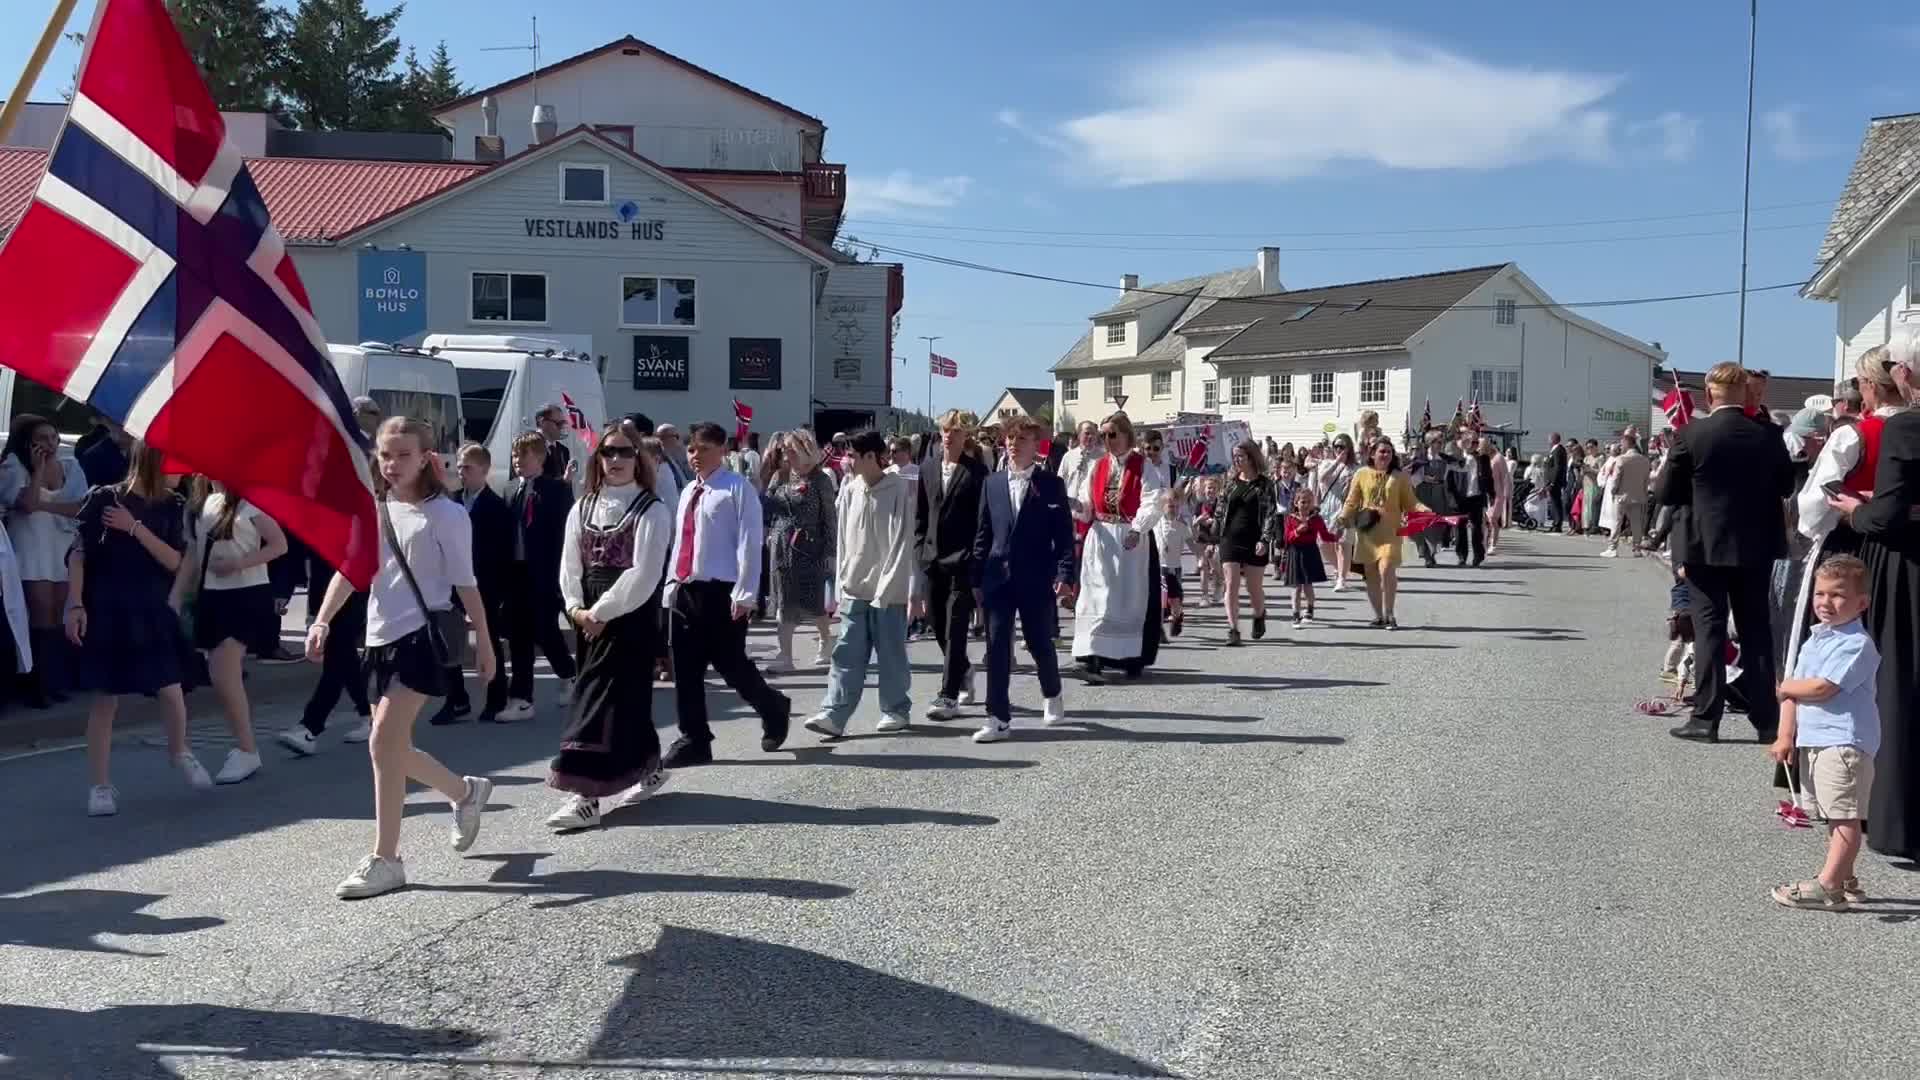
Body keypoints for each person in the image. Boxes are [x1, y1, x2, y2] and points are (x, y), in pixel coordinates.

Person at [308, 417, 498, 899]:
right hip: (378, 640)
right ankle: (464, 792)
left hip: (423, 639)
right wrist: (322, 620)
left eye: (403, 455)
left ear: (427, 458)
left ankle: (387, 859)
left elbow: (465, 584)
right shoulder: (376, 508)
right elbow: (352, 571)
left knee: (380, 744)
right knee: (390, 751)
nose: (391, 464)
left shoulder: (447, 515)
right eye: (385, 455)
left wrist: (486, 644)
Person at [545, 422, 674, 832]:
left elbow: (644, 573)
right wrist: (575, 607)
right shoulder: (582, 506)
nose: (615, 460)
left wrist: (601, 611)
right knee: (621, 699)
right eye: (608, 452)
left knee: (597, 700)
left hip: (628, 614)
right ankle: (648, 765)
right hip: (588, 615)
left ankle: (587, 796)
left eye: (625, 452)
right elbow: (569, 563)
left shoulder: (651, 508)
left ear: (639, 458)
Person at [1658, 362, 1794, 743]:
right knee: (1756, 633)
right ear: (1745, 393)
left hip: (1705, 545)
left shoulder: (1692, 433)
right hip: (1757, 545)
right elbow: (1785, 485)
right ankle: (1767, 720)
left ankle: (1706, 717)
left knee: (1710, 631)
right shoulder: (1769, 435)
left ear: (1709, 394)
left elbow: (1667, 493)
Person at [69, 442, 208, 816]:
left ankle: (180, 752)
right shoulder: (104, 498)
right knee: (104, 699)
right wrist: (75, 603)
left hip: (151, 606)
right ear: (156, 461)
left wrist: (134, 528)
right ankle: (99, 786)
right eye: (178, 464)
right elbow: (79, 554)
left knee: (171, 686)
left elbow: (174, 560)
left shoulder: (173, 507)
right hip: (108, 607)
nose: (184, 473)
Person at [1826, 343, 1920, 859]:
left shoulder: (1907, 426)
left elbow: (1885, 517)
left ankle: (1899, 823)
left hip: (1906, 568)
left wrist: (1853, 511)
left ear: (1902, 373)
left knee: (1900, 687)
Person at [664, 421, 792, 767]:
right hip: (686, 588)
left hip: (722, 591)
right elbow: (680, 541)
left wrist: (746, 592)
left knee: (731, 665)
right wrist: (670, 586)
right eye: (691, 449)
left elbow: (751, 543)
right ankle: (694, 738)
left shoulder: (737, 489)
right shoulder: (689, 491)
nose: (696, 455)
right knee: (686, 668)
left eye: (704, 449)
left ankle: (773, 707)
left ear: (722, 450)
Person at [1764, 555, 1878, 911]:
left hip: (1844, 741)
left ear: (1861, 604)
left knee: (1844, 815)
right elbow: (1792, 695)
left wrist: (1787, 688)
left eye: (1838, 595)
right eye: (1820, 594)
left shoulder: (1856, 644)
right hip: (1816, 740)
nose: (1826, 603)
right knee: (1833, 812)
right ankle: (1844, 877)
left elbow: (1821, 688)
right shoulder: (1814, 641)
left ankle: (1829, 885)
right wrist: (1786, 736)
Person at [803, 431, 924, 738]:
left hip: (887, 591)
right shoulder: (851, 489)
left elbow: (901, 540)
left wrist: (889, 587)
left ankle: (896, 709)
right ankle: (834, 714)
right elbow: (843, 537)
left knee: (891, 653)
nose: (848, 461)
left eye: (853, 455)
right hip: (855, 588)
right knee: (846, 653)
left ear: (871, 456)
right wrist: (843, 579)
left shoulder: (898, 489)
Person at [970, 417, 1074, 743]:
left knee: (1039, 641)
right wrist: (975, 577)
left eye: (1022, 439)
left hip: (1035, 577)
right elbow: (983, 534)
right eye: (1010, 439)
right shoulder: (993, 483)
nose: (1014, 444)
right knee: (997, 647)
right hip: (997, 578)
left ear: (1035, 445)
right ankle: (997, 717)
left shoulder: (1051, 484)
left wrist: (1065, 572)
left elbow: (1064, 536)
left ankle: (1052, 691)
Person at [189, 479, 287, 784]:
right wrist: (177, 595)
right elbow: (194, 553)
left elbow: (279, 544)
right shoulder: (205, 502)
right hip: (212, 594)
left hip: (245, 593)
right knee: (219, 675)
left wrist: (239, 562)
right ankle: (245, 748)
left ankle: (246, 749)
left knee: (224, 675)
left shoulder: (249, 501)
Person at [1069, 412, 1164, 681]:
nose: (1107, 440)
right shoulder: (1097, 466)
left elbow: (1153, 500)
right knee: (1093, 597)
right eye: (1103, 435)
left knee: (1125, 600)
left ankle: (1128, 657)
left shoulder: (1142, 466)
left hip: (1128, 541)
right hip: (1100, 539)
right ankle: (1090, 659)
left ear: (1126, 436)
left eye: (1112, 434)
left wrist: (1137, 528)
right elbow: (1088, 505)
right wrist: (1075, 505)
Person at [1, 415, 86, 706]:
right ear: (29, 443)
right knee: (39, 613)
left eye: (53, 437)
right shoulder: (15, 465)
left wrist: (45, 505)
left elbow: (80, 506)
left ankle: (56, 681)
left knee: (59, 614)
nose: (50, 444)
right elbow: (25, 504)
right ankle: (34, 686)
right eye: (42, 439)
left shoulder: (71, 465)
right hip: (30, 546)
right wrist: (37, 472)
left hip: (59, 544)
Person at [917, 410, 989, 719]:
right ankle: (963, 669)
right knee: (936, 624)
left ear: (965, 436)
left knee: (956, 628)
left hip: (962, 561)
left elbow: (982, 521)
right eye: (945, 430)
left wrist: (976, 557)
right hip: (932, 560)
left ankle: (947, 696)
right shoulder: (928, 467)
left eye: (956, 431)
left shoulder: (976, 473)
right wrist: (920, 547)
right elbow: (921, 514)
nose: (949, 436)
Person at [503, 431, 577, 721]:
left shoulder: (556, 490)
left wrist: (565, 575)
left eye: (523, 455)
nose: (517, 461)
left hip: (546, 574)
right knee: (519, 634)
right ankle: (521, 698)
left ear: (540, 458)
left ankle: (568, 673)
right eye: (514, 455)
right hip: (517, 573)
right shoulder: (510, 489)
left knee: (544, 629)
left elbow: (566, 535)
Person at [436, 444, 512, 725]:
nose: (461, 472)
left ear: (484, 470)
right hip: (451, 583)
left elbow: (502, 554)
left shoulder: (496, 508)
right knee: (448, 642)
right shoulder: (452, 502)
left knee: (487, 641)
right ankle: (456, 700)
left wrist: (499, 592)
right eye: (459, 466)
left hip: (484, 586)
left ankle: (496, 698)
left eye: (467, 467)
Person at [761, 431, 837, 672]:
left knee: (813, 603)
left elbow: (830, 520)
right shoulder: (780, 475)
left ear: (806, 450)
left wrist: (830, 553)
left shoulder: (820, 480)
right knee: (783, 600)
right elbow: (767, 507)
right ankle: (785, 656)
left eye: (791, 450)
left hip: (809, 547)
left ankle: (825, 640)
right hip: (781, 546)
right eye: (785, 450)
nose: (786, 455)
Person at [1340, 439, 1423, 629]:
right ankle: (1379, 616)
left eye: (1388, 452)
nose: (1385, 455)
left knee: (1386, 568)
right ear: (1372, 454)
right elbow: (1352, 500)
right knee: (1370, 574)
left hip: (1390, 532)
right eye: (1381, 451)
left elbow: (1410, 501)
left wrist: (1422, 513)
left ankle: (1390, 613)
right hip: (1368, 531)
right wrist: (1343, 517)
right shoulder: (1361, 474)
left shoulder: (1400, 476)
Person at [1216, 440, 1274, 646]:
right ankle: (1233, 629)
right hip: (1230, 538)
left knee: (1253, 587)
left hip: (1254, 540)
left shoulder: (1265, 484)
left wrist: (1265, 539)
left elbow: (1270, 513)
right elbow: (1220, 510)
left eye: (1240, 456)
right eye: (1235, 456)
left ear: (1251, 457)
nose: (1236, 460)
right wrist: (1213, 536)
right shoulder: (1230, 482)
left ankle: (1259, 614)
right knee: (1231, 585)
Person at [1278, 485, 1338, 627]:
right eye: (1302, 502)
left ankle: (1310, 609)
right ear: (1296, 503)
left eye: (1309, 502)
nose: (1305, 505)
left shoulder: (1316, 519)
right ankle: (1296, 615)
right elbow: (1286, 538)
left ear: (1313, 504)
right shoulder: (1290, 519)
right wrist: (1297, 531)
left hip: (1310, 552)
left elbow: (1324, 535)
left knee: (1308, 585)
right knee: (1296, 587)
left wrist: (1336, 537)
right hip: (1295, 553)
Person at [1313, 435, 1358, 590]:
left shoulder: (1355, 468)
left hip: (1346, 508)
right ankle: (1340, 569)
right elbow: (1322, 478)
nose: (1339, 450)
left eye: (1342, 447)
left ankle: (1341, 579)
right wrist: (1338, 462)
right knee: (1324, 544)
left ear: (1349, 448)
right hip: (1327, 508)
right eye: (1336, 446)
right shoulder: (1326, 463)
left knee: (1342, 543)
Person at [1448, 433, 1494, 567]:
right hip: (1460, 498)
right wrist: (1452, 497)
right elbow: (1449, 480)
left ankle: (1478, 556)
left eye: (1475, 443)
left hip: (1476, 497)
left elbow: (1488, 477)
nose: (1474, 445)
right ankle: (1462, 556)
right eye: (1471, 442)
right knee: (1460, 528)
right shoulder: (1455, 458)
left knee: (1477, 528)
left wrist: (1492, 495)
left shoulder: (1483, 458)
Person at [1603, 434, 1652, 557]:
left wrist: (1613, 491)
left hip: (1621, 496)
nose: (1621, 446)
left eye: (1622, 444)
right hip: (1638, 496)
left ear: (1627, 443)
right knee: (1636, 523)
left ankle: (1612, 548)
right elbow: (1647, 480)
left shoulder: (1621, 459)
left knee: (1616, 522)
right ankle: (1636, 548)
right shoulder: (1645, 460)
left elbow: (1616, 479)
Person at [1154, 481, 1191, 638]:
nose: (1174, 510)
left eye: (1176, 507)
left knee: (1175, 599)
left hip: (1174, 567)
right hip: (1159, 566)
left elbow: (1191, 540)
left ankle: (1177, 618)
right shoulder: (1155, 523)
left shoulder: (1181, 525)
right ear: (1163, 507)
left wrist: (1202, 555)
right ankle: (1159, 629)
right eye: (1170, 507)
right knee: (1160, 599)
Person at [534, 403, 575, 483]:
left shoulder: (564, 450)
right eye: (558, 423)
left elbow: (567, 487)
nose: (561, 427)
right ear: (542, 422)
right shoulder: (528, 446)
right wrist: (563, 481)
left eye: (563, 423)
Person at [1545, 433, 1569, 533]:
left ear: (1554, 439)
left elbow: (1557, 468)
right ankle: (1555, 522)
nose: (1548, 441)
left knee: (1556, 502)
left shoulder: (1558, 450)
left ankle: (1557, 524)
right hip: (1551, 481)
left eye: (1549, 439)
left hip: (1555, 482)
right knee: (1554, 502)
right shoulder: (1554, 450)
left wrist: (1553, 483)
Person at [655, 423, 692, 487]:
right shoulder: (660, 457)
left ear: (676, 437)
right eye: (658, 437)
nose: (660, 441)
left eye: (663, 437)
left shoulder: (690, 453)